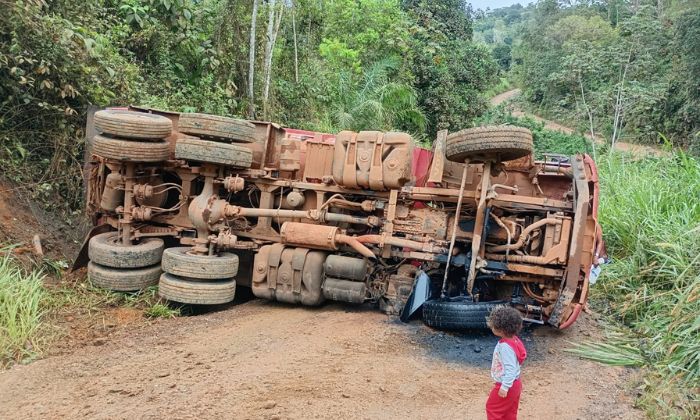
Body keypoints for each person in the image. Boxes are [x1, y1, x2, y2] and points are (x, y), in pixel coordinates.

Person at [485, 306, 527, 420]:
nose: (491, 327)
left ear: (500, 329)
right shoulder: (514, 339)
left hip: (508, 384)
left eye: (493, 325)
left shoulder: (505, 347)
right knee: (509, 412)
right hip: (516, 384)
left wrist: (505, 387)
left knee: (492, 408)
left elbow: (510, 369)